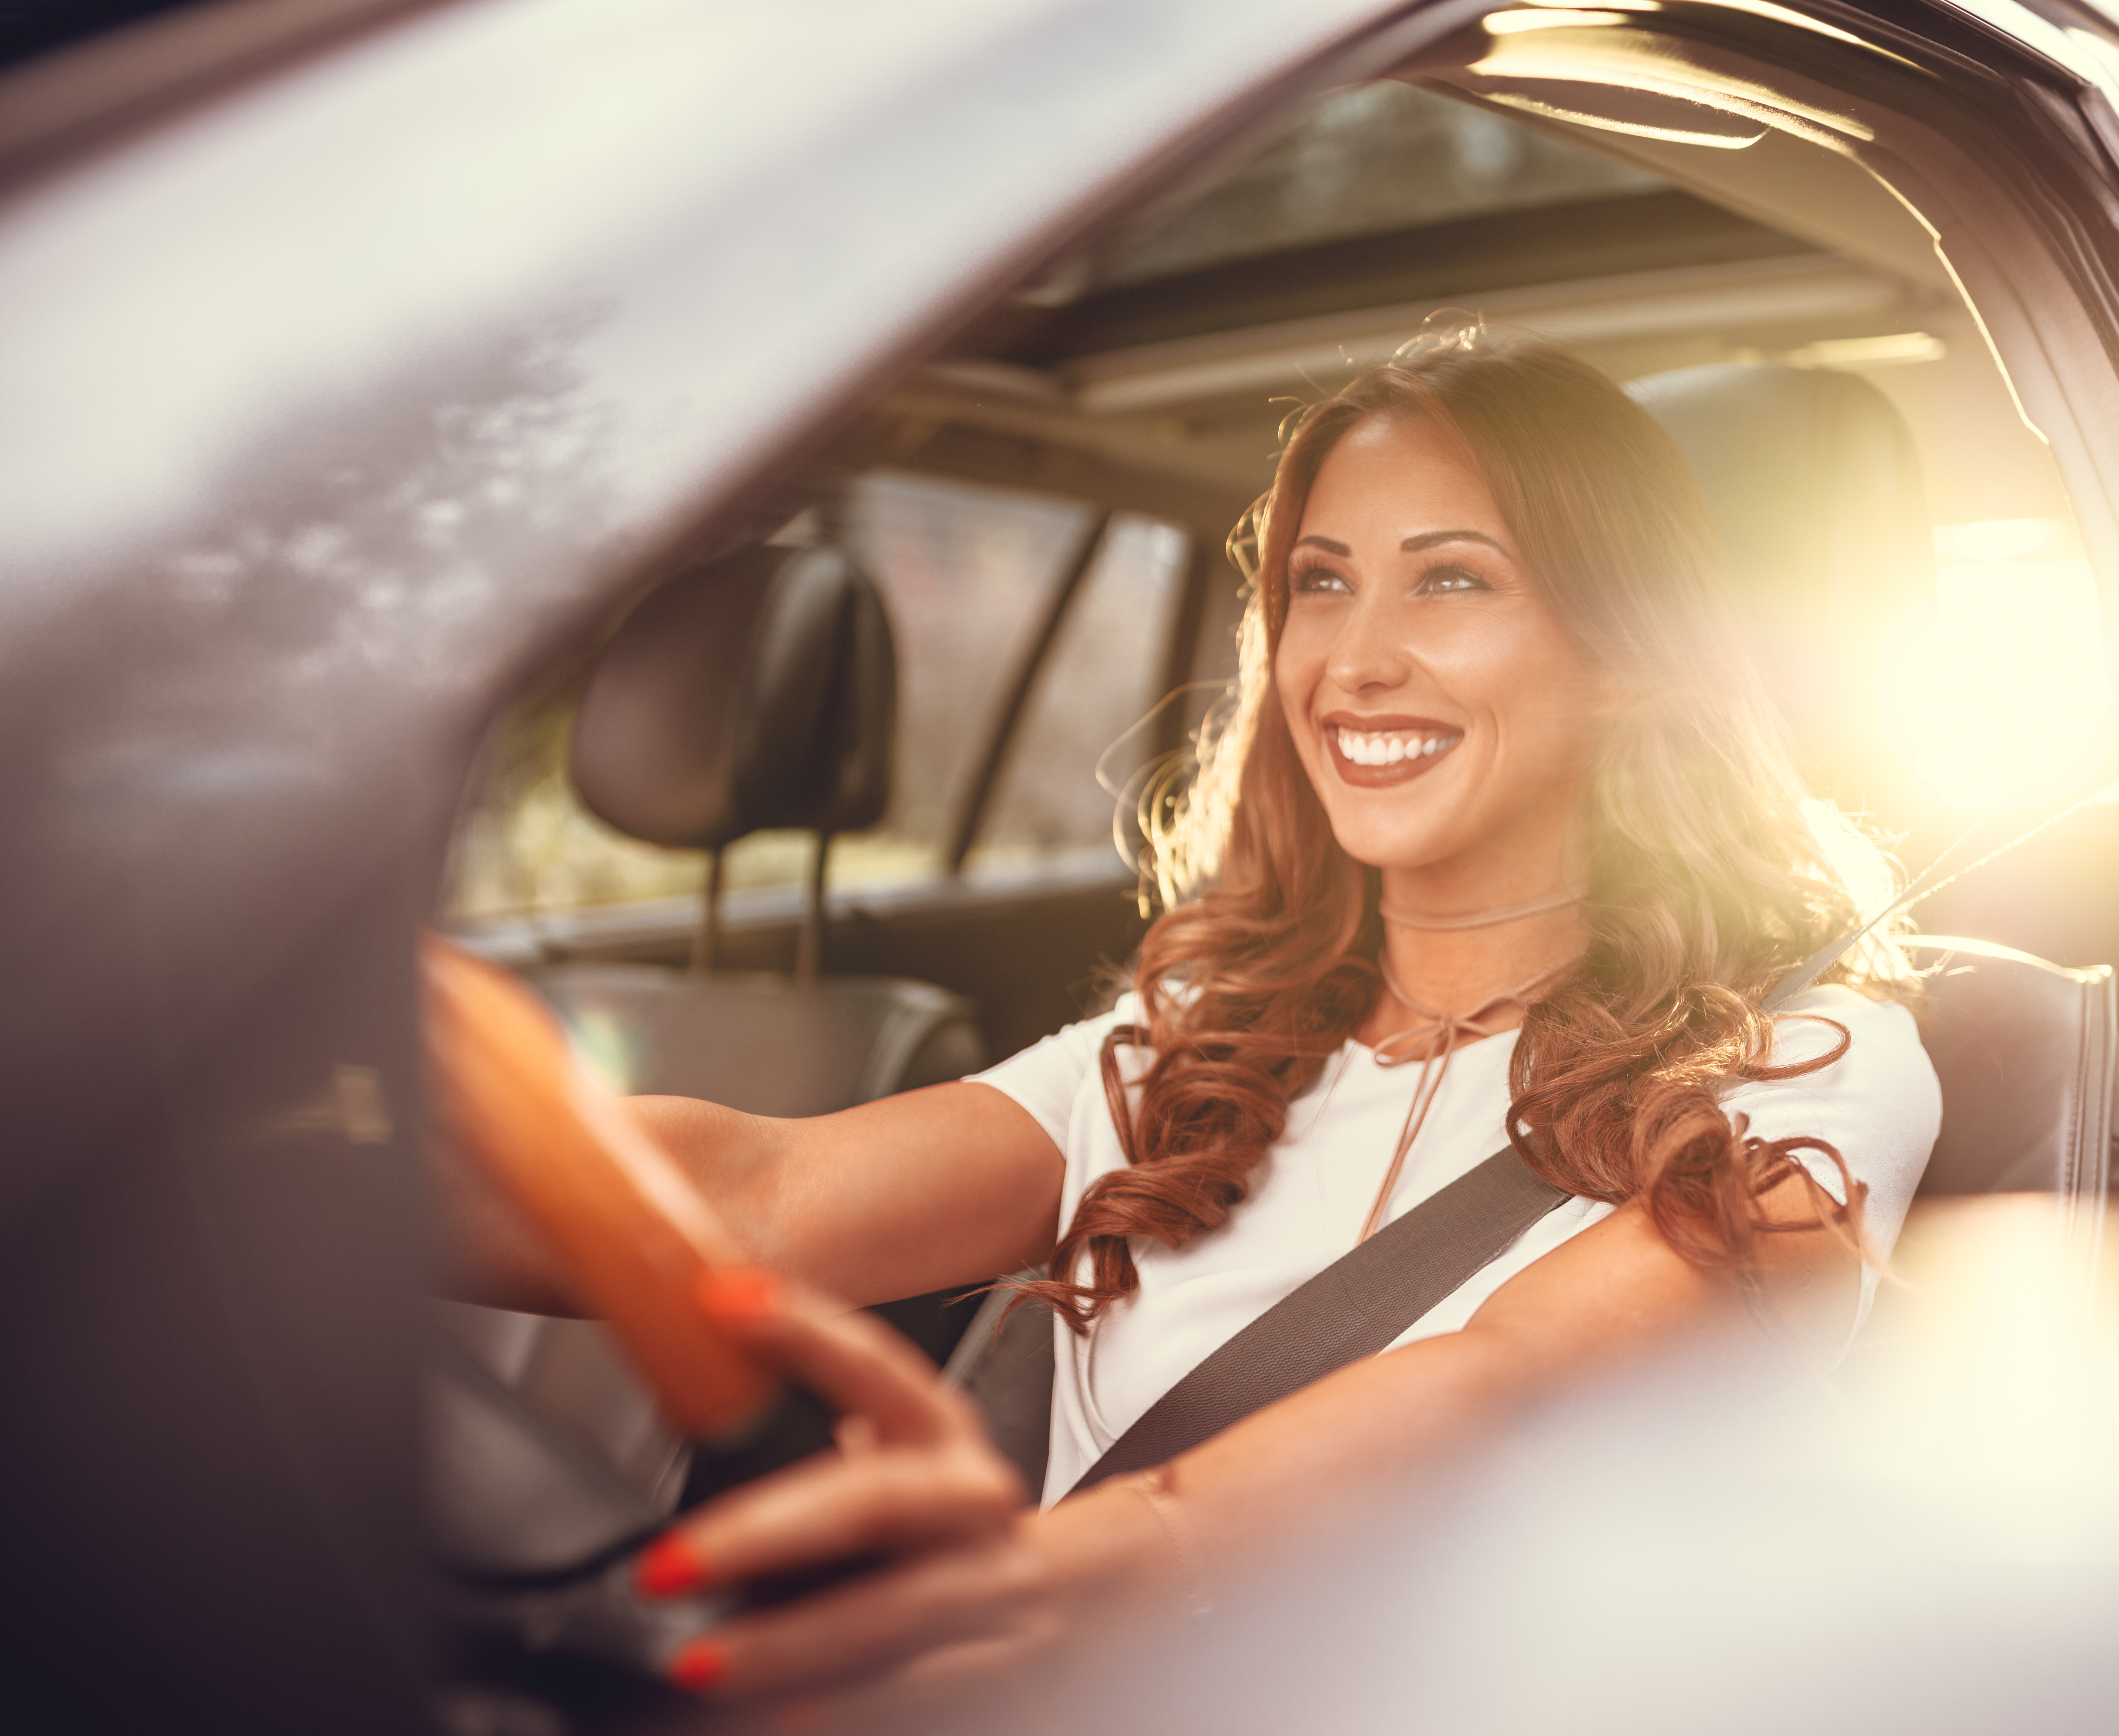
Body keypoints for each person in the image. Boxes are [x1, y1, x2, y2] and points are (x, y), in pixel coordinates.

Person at [441, 327, 1942, 1701]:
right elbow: (756, 1196)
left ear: (1620, 658)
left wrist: (1052, 1578)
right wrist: (298, 1184)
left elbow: (1510, 1384)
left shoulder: (1809, 1064)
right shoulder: (1190, 1046)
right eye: (1320, 582)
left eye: (1453, 578)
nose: (1353, 659)